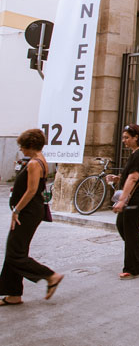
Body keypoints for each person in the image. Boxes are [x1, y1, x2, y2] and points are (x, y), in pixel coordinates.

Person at [0, 129, 64, 305]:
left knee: (15, 253)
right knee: (16, 250)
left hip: (27, 212)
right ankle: (13, 294)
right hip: (31, 211)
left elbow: (31, 190)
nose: (21, 149)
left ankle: (51, 276)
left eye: (22, 146)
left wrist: (16, 210)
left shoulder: (35, 163)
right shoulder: (39, 160)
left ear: (30, 146)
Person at [108, 124, 139, 279]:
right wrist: (117, 178)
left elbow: (134, 177)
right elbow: (131, 174)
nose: (124, 141)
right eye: (123, 138)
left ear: (136, 137)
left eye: (127, 138)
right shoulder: (137, 153)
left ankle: (133, 267)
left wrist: (122, 200)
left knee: (129, 226)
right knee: (122, 224)